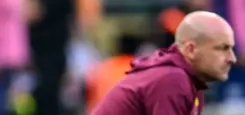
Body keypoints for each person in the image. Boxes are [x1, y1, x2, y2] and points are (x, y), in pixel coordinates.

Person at [90, 11, 236, 115]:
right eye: (222, 48)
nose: (232, 58)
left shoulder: (187, 81)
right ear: (190, 49)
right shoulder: (172, 78)